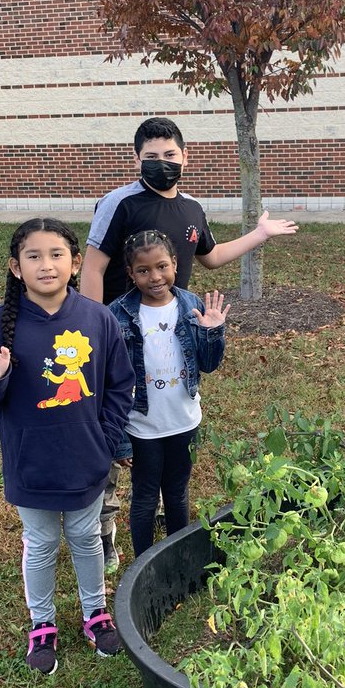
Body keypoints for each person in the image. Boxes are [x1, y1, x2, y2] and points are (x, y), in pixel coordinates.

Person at [80, 116, 297, 571]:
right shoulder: (119, 203)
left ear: (185, 156)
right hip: (122, 341)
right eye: (151, 157)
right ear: (136, 159)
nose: (162, 164)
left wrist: (259, 235)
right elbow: (94, 269)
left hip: (173, 342)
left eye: (170, 155)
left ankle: (165, 532)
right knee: (119, 446)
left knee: (168, 441)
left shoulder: (193, 208)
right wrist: (92, 337)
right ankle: (105, 540)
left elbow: (212, 258)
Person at [0, 217, 135, 675]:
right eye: (33, 256)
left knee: (84, 537)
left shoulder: (98, 318)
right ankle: (42, 624)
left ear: (76, 263)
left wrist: (106, 438)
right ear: (16, 268)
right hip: (30, 462)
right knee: (39, 543)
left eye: (56, 254)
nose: (46, 265)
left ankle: (95, 612)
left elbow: (120, 384)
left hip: (86, 459)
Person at [109, 230, 230, 556]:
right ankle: (143, 564)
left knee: (177, 493)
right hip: (142, 427)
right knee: (146, 495)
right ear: (131, 274)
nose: (155, 277)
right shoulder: (116, 315)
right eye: (144, 270)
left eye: (162, 266)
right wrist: (119, 439)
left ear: (175, 264)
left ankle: (178, 557)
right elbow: (112, 382)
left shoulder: (191, 305)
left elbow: (208, 364)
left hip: (184, 422)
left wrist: (212, 332)